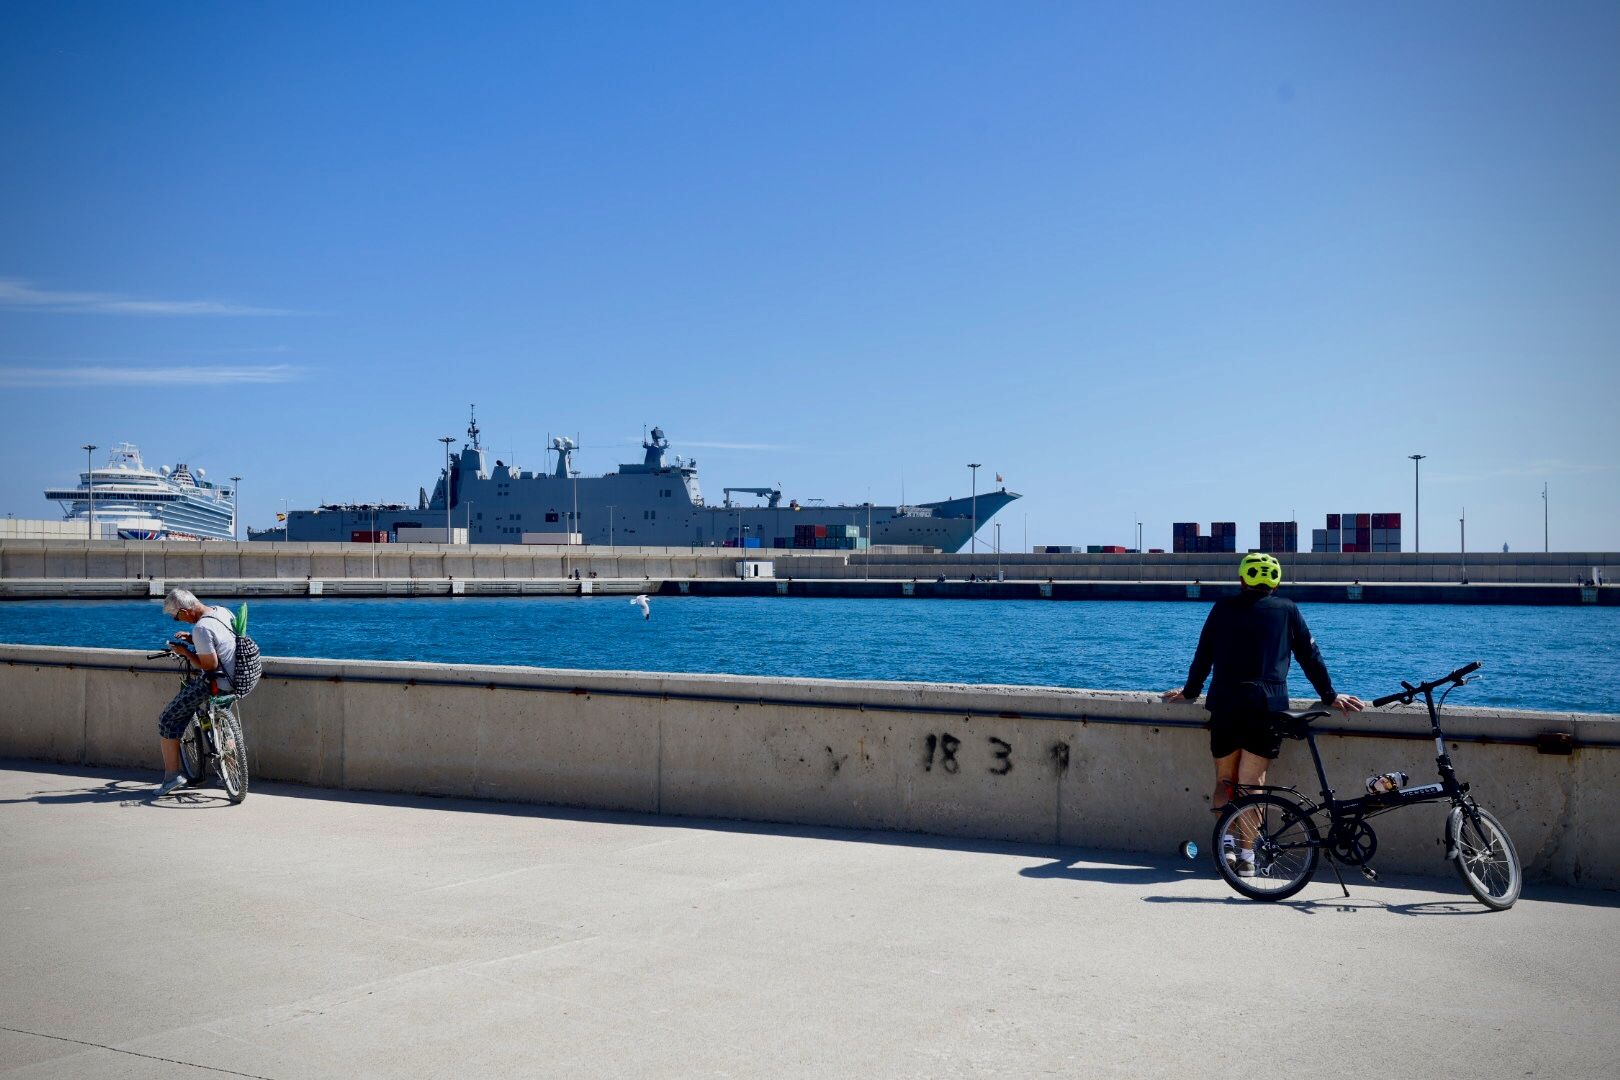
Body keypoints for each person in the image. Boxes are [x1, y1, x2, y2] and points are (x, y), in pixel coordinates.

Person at [1162, 553, 1364, 876]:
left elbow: (1204, 655)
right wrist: (1329, 695)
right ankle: (1247, 857)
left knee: (1225, 781)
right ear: (1276, 583)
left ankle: (1225, 847)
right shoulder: (1288, 611)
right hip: (1266, 707)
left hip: (1226, 703)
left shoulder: (1222, 608)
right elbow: (1310, 657)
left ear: (1242, 581)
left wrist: (1190, 692)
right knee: (1252, 783)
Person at [152, 588, 237, 798]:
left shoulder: (201, 628)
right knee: (222, 723)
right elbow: (221, 641)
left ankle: (171, 777)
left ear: (184, 611)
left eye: (176, 617)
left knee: (168, 719)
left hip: (217, 681)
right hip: (237, 677)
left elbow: (209, 666)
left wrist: (186, 652)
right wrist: (193, 639)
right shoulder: (222, 612)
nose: (177, 620)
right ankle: (232, 769)